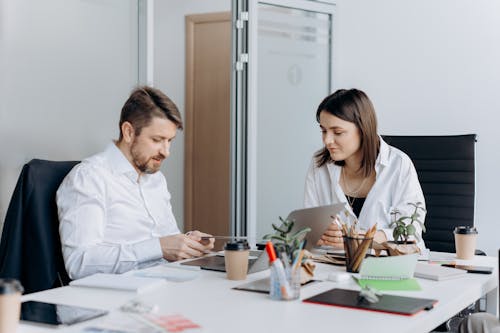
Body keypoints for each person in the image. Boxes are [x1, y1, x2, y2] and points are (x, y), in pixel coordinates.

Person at [57, 86, 214, 280]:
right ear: (129, 132)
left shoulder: (156, 179)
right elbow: (79, 262)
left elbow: (168, 241)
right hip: (111, 300)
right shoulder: (90, 178)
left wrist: (188, 243)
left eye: (170, 141)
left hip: (161, 288)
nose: (166, 152)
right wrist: (158, 248)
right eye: (157, 140)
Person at [304, 88, 426, 249]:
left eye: (338, 132)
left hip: (388, 267)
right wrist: (319, 235)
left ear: (362, 130)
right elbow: (309, 230)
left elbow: (411, 233)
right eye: (324, 131)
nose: (327, 140)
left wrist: (358, 239)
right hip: (333, 267)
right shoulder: (319, 165)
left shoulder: (399, 164)